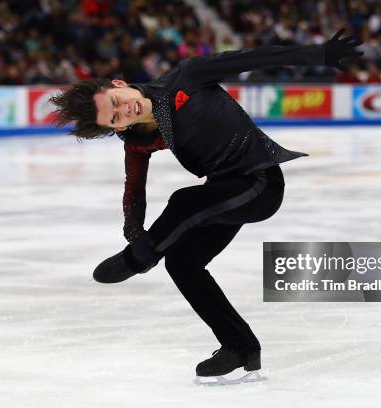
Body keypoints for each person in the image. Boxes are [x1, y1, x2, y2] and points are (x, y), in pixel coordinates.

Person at [50, 29, 362, 384]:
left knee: (183, 200)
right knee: (183, 263)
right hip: (223, 193)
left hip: (259, 182)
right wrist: (134, 231)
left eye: (117, 101)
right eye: (116, 118)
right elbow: (134, 191)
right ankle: (240, 347)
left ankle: (139, 259)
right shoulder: (138, 140)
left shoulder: (188, 77)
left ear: (119, 83)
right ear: (115, 128)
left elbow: (255, 59)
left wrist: (319, 54)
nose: (125, 110)